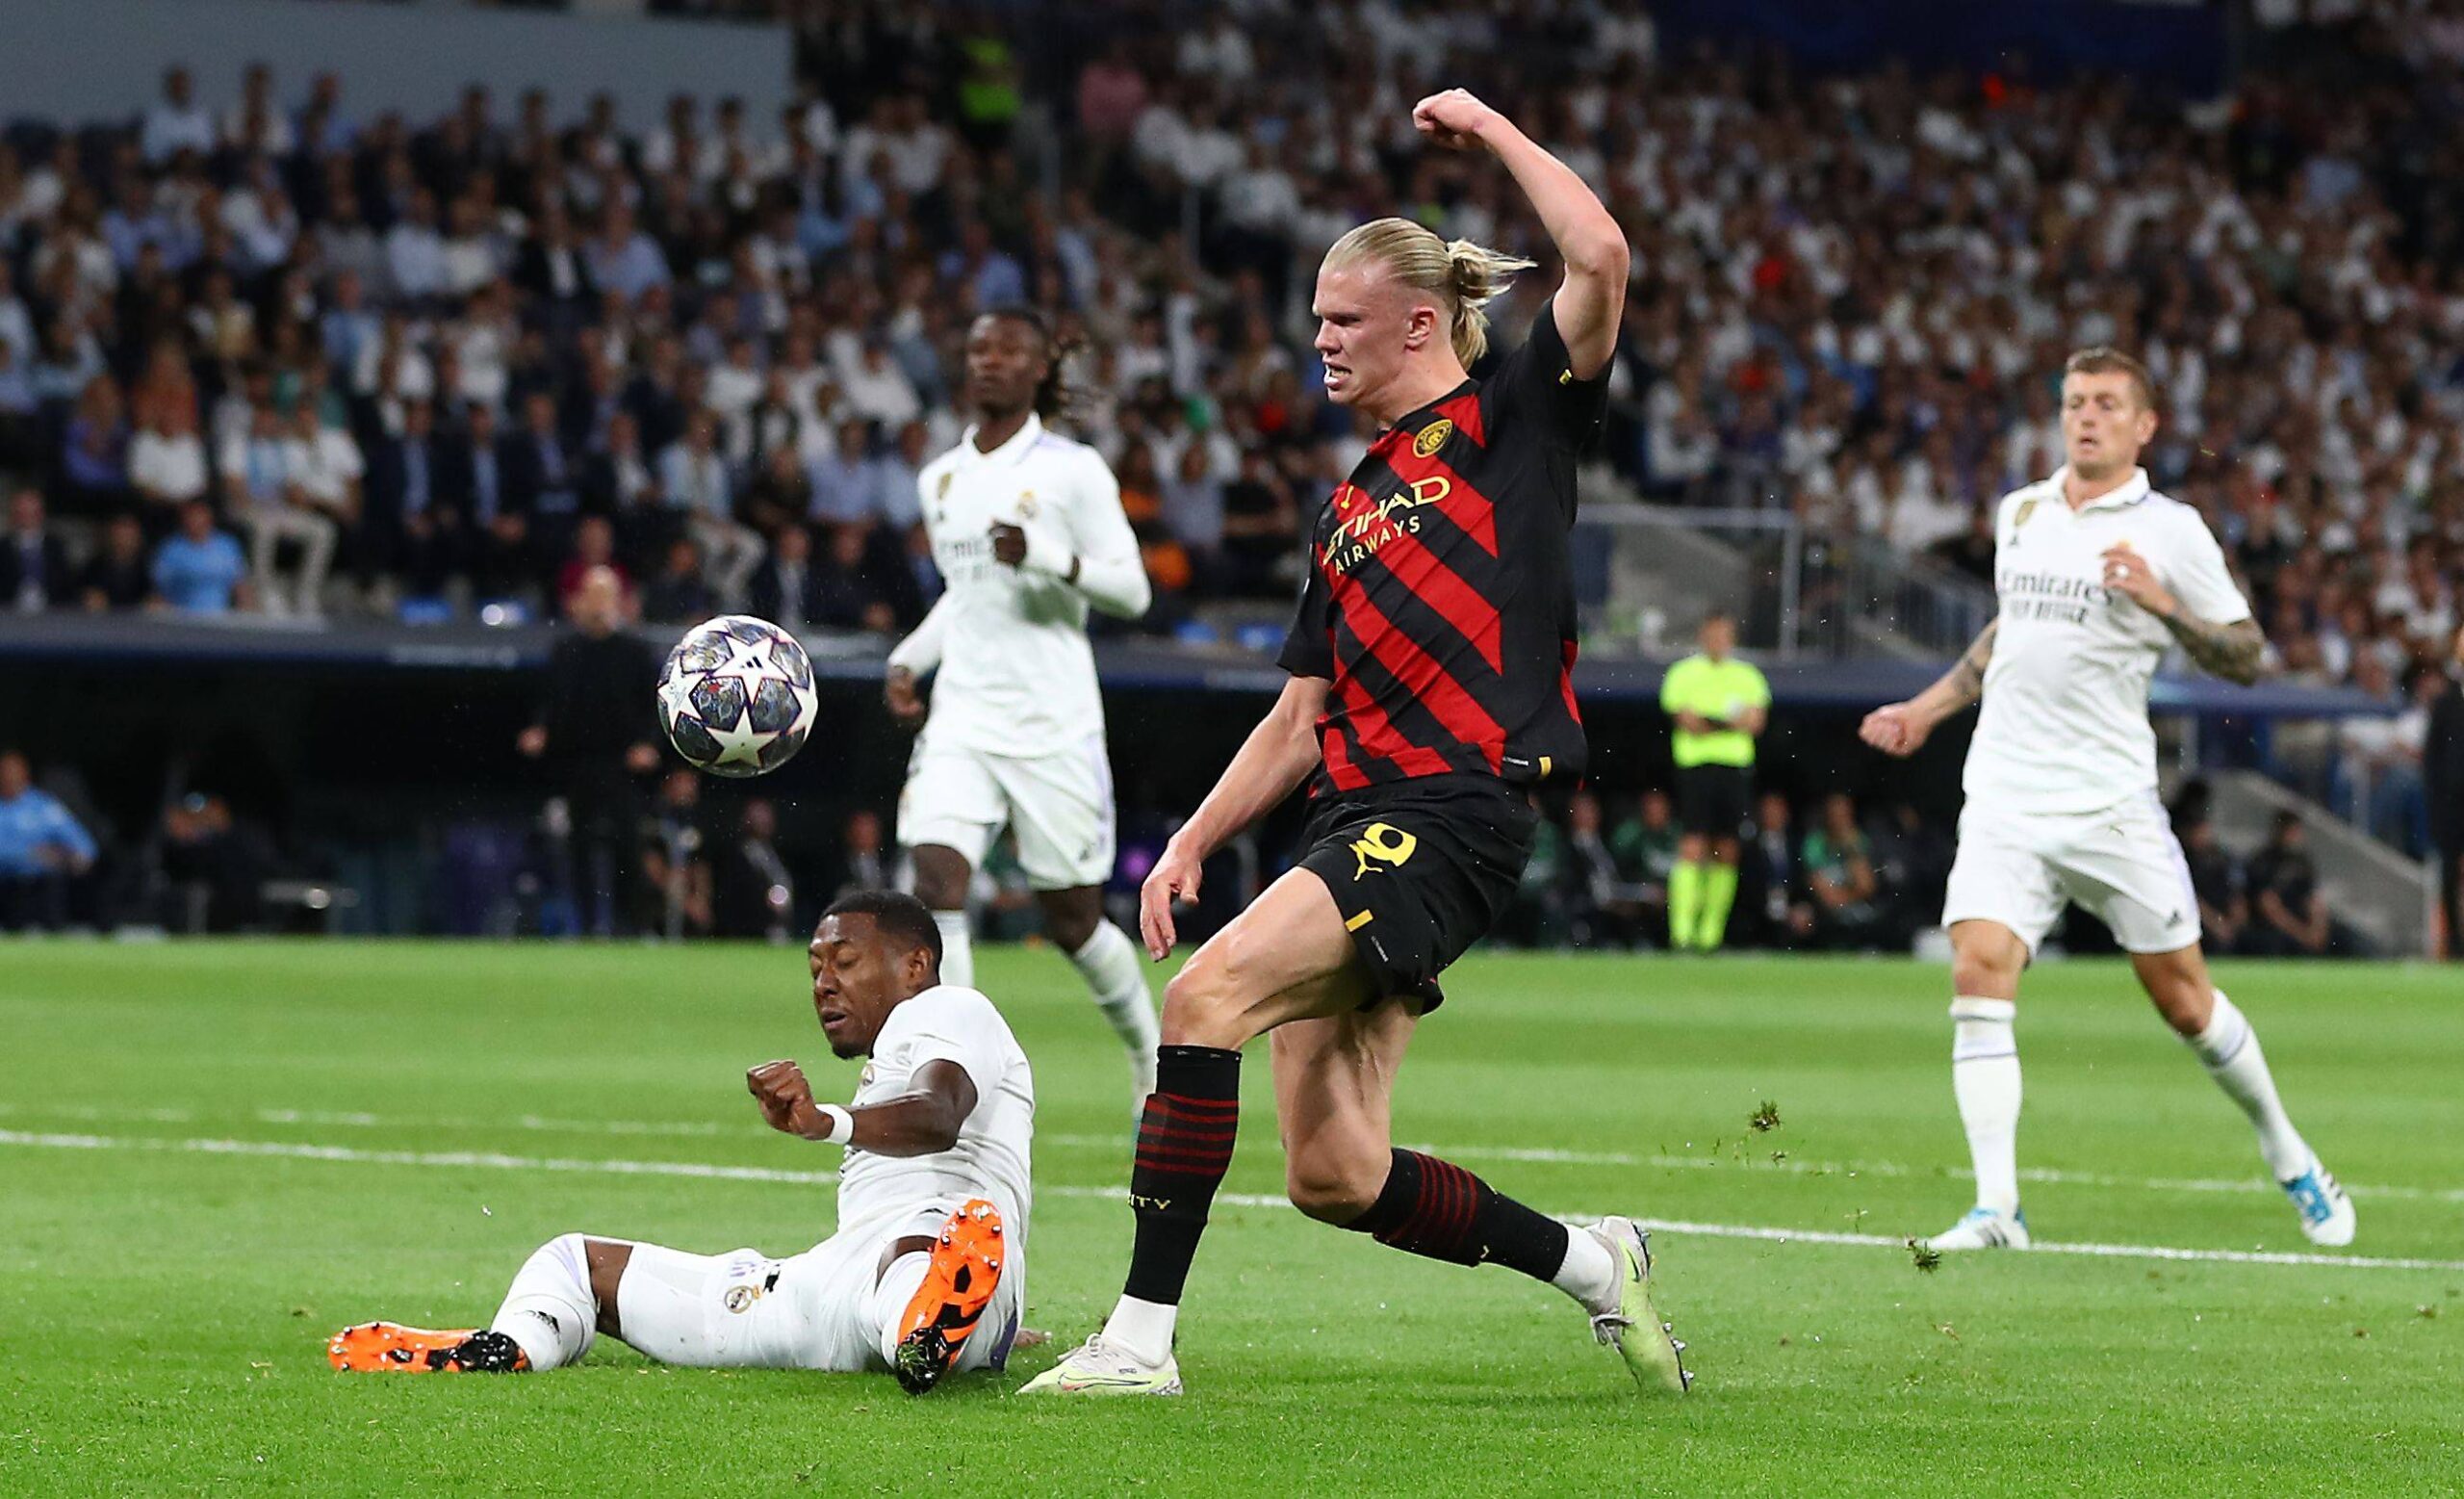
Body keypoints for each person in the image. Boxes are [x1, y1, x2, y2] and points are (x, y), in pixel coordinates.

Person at [1023, 90, 1681, 1399]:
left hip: (1453, 809)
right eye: (1317, 320)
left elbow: (1601, 253)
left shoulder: (1513, 418)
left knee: (1201, 1000)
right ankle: (1597, 1265)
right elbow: (1298, 716)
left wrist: (1490, 129)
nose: (1318, 341)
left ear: (1420, 323)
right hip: (1358, 817)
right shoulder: (1347, 507)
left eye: (1342, 320)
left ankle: (1138, 1343)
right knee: (1334, 1175)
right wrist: (1192, 842)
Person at [1861, 347, 2353, 1252]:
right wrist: (1924, 710)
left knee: (2186, 1002)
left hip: (2110, 801)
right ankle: (1997, 1208)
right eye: (2075, 402)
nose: (2086, 416)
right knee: (1978, 969)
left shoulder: (2173, 530)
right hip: (2006, 788)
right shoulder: (2023, 511)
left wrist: (2163, 602)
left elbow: (2246, 654)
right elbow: (2011, 630)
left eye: (2106, 404)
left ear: (2145, 425)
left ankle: (2288, 1152)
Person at [329, 892, 1031, 1396]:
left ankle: (928, 1320)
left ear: (915, 964)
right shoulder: (894, 1053)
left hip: (933, 1244)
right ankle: (511, 1345)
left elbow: (939, 1114)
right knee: (577, 1262)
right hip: (831, 1287)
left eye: (844, 961)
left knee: (919, 1242)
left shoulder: (952, 1007)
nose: (824, 984)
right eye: (815, 967)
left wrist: (827, 1122)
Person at [884, 305, 1161, 1109]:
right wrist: (910, 658)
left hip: (1052, 724)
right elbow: (966, 596)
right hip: (963, 717)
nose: (990, 360)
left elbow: (1133, 589)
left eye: (1009, 349)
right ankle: (963, 1079)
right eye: (978, 348)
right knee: (936, 881)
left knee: (1073, 920)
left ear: (1041, 368)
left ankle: (1152, 1058)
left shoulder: (1075, 470)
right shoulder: (940, 479)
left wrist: (1049, 556)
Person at [519, 567, 660, 937]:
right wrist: (541, 730)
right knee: (578, 847)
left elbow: (655, 708)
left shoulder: (636, 651)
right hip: (578, 764)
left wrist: (648, 745)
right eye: (591, 595)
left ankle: (635, 927)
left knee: (629, 848)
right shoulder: (566, 651)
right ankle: (585, 928)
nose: (597, 604)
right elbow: (551, 702)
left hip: (623, 767)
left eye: (604, 595)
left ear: (617, 601)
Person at [1657, 608, 1769, 951]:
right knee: (1692, 844)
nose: (1718, 641)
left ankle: (1710, 935)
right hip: (1696, 768)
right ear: (1702, 636)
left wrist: (1711, 722)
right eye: (1713, 634)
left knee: (1728, 849)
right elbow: (1686, 720)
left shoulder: (1748, 675)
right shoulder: (1683, 673)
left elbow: (1755, 722)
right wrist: (1727, 724)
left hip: (1734, 769)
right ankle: (1681, 933)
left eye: (1724, 635)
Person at [0, 749, 95, 930]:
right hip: (7, 883)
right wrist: (30, 855)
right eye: (6, 772)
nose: (10, 777)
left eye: (15, 772)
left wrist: (74, 856)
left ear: (25, 774)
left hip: (43, 884)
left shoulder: (43, 805)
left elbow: (82, 843)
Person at [2244, 812, 2331, 958]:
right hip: (2271, 927)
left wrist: (2317, 929)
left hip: (2300, 922)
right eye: (2292, 831)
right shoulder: (2263, 861)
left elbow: (2314, 900)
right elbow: (2269, 907)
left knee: (2341, 938)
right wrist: (2302, 934)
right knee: (2274, 941)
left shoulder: (2303, 862)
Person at [2428, 623, 2464, 959]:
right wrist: (2436, 808)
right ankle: (2453, 940)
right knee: (2450, 873)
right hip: (2452, 805)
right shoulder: (2446, 703)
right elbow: (2433, 761)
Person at [150, 499, 252, 614]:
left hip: (219, 616)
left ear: (209, 517)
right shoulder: (170, 549)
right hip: (181, 617)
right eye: (192, 516)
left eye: (200, 515)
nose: (196, 520)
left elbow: (241, 586)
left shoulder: (227, 546)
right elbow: (159, 591)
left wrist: (246, 613)